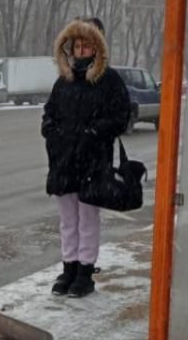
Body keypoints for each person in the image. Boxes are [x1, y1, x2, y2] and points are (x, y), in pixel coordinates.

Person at [41, 18, 131, 298]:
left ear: (97, 48)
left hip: (93, 163)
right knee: (68, 220)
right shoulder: (63, 82)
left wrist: (93, 132)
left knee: (87, 218)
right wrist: (51, 132)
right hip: (64, 163)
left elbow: (120, 117)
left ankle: (85, 272)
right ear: (70, 49)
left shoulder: (110, 81)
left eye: (87, 46)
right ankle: (68, 268)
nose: (81, 51)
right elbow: (50, 114)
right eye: (77, 46)